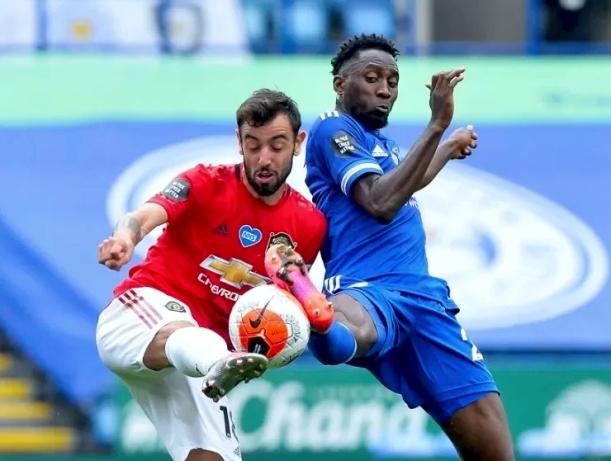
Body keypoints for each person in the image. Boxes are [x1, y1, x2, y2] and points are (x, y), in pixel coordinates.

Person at [265, 34, 514, 460]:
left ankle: (321, 321)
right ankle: (315, 315)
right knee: (349, 329)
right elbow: (379, 202)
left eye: (392, 81)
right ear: (341, 85)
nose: (384, 89)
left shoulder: (382, 145)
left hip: (425, 301)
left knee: (495, 450)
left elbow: (406, 183)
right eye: (372, 78)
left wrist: (446, 149)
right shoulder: (333, 128)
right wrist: (437, 125)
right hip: (368, 286)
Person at [96, 89, 327, 461]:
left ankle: (215, 362)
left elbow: (279, 306)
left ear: (298, 143)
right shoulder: (204, 182)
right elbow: (142, 217)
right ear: (239, 141)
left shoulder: (308, 225)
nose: (264, 158)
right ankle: (215, 361)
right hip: (139, 317)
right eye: (252, 145)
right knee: (186, 333)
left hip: (202, 365)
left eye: (276, 145)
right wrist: (125, 237)